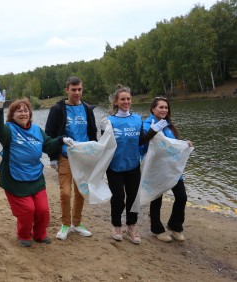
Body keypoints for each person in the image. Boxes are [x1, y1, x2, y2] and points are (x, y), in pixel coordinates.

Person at [0, 84, 74, 247]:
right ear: (12, 115)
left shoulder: (36, 129)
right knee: (27, 210)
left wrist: (61, 139)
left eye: (25, 110)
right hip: (14, 177)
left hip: (35, 176)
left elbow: (48, 145)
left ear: (30, 113)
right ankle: (24, 235)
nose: (23, 113)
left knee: (42, 210)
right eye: (18, 110)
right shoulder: (8, 130)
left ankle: (40, 234)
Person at [100, 85, 167, 244]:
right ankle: (116, 225)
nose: (126, 101)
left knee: (133, 198)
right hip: (114, 167)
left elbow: (141, 141)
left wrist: (155, 129)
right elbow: (103, 146)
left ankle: (131, 225)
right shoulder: (109, 121)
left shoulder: (137, 119)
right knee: (118, 198)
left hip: (133, 166)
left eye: (128, 99)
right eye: (122, 99)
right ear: (116, 102)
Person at [45, 76, 97, 241]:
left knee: (81, 192)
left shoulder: (87, 109)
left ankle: (77, 223)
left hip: (83, 157)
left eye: (79, 89)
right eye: (73, 89)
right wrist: (52, 157)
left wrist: (94, 153)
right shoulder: (57, 109)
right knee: (66, 193)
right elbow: (49, 134)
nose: (76, 93)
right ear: (67, 90)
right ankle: (65, 224)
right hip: (65, 155)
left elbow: (92, 133)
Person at [140, 97, 193, 242]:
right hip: (156, 168)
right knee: (157, 198)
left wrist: (184, 144)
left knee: (182, 197)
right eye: (161, 107)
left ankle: (175, 226)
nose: (164, 110)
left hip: (172, 168)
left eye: (166, 107)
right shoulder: (146, 125)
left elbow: (172, 144)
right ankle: (157, 229)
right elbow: (143, 146)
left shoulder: (168, 125)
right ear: (153, 109)